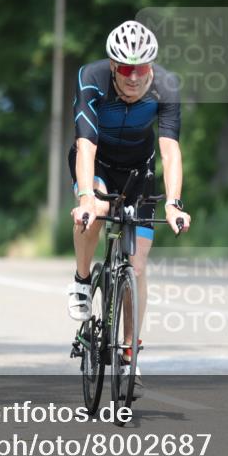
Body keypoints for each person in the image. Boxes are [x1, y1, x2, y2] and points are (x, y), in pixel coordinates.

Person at [67, 20, 191, 400]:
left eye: (141, 69)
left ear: (151, 66)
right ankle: (83, 280)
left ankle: (127, 351)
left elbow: (170, 150)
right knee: (94, 212)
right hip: (98, 163)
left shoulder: (166, 86)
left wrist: (173, 202)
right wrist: (87, 197)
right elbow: (85, 146)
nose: (133, 78)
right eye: (124, 69)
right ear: (112, 65)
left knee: (137, 266)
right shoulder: (91, 78)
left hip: (140, 169)